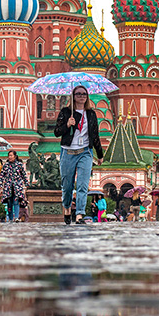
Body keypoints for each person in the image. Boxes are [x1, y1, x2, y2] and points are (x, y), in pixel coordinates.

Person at [54, 85, 104, 225]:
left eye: (84, 94)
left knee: (82, 185)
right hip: (68, 152)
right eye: (78, 94)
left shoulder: (91, 114)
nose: (81, 96)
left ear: (87, 96)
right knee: (68, 186)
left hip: (85, 152)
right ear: (73, 96)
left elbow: (95, 136)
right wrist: (68, 125)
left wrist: (99, 155)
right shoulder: (66, 112)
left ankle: (80, 215)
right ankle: (68, 208)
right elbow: (57, 132)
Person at [0, 150, 27, 222]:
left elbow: (23, 174)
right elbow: (2, 175)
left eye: (11, 155)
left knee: (16, 201)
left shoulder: (19, 165)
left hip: (17, 186)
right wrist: (0, 184)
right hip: (8, 186)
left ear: (15, 156)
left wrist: (26, 183)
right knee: (9, 202)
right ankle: (11, 218)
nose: (10, 157)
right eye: (9, 156)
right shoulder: (6, 165)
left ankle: (16, 217)